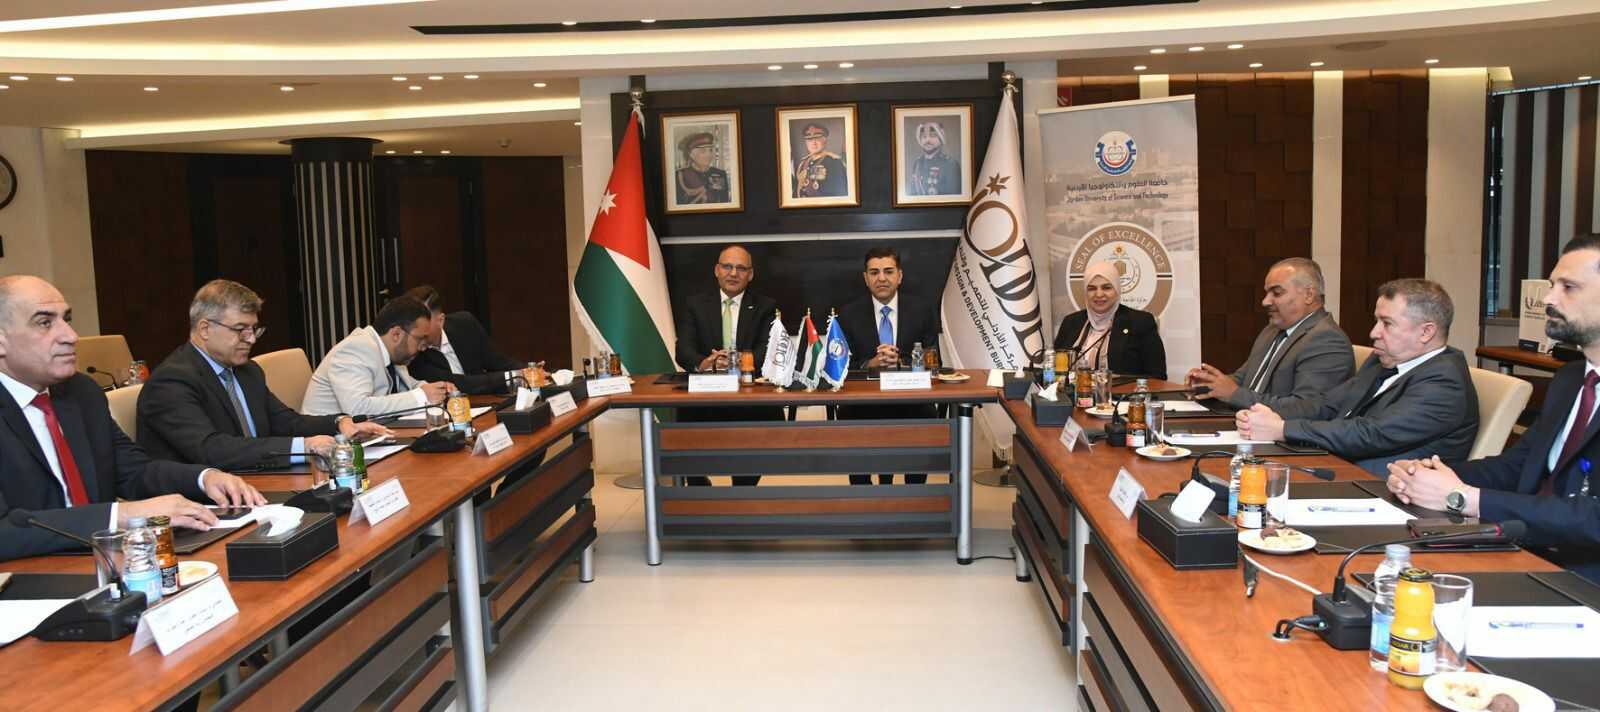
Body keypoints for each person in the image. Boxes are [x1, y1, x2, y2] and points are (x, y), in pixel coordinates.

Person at [0, 275, 265, 561]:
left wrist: (204, 478)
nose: (70, 335)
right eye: (44, 322)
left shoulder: (80, 392)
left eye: (67, 319)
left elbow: (134, 471)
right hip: (31, 574)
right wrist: (120, 515)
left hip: (109, 562)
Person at [1386, 234, 1600, 583]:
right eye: (1551, 285)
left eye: (1569, 287)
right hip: (1529, 554)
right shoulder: (1571, 379)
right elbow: (1517, 466)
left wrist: (1465, 498)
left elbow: (1593, 519)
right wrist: (1427, 476)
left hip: (1584, 579)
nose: (1548, 298)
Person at [138, 280, 392, 471]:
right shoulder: (171, 382)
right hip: (203, 501)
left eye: (254, 330)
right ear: (205, 329)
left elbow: (285, 422)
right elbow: (210, 449)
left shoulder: (247, 371)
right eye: (240, 330)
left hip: (258, 477)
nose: (250, 339)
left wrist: (339, 423)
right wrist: (304, 446)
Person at [1236, 278, 1478, 475]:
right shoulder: (1384, 359)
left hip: (1385, 490)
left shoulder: (1445, 382)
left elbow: (1371, 434)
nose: (1374, 333)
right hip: (1340, 467)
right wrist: (1266, 416)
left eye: (1387, 324)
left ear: (1426, 332)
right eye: (1377, 321)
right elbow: (1328, 404)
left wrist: (1283, 429)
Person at [673, 244, 781, 486]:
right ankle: (698, 484)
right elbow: (684, 350)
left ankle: (742, 491)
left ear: (750, 275)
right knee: (683, 425)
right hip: (705, 393)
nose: (733, 273)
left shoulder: (766, 306)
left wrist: (738, 361)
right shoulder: (694, 304)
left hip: (748, 394)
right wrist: (705, 362)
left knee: (756, 431)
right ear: (717, 270)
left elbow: (767, 349)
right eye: (727, 267)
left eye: (741, 268)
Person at [1187, 257, 1354, 409]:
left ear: (1309, 295)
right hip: (1245, 422)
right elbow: (1243, 379)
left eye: (1277, 293)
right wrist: (1209, 383)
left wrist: (1234, 394)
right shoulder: (1272, 330)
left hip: (1278, 432)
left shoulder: (1327, 340)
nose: (1265, 301)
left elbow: (1306, 408)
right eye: (1267, 293)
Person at [840, 246, 940, 485]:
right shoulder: (848, 314)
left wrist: (902, 363)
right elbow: (840, 367)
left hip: (911, 403)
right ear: (865, 278)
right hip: (863, 405)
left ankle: (914, 493)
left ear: (900, 276)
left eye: (888, 271)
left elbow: (934, 361)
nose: (881, 278)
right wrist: (870, 364)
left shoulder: (922, 309)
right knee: (851, 420)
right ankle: (864, 496)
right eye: (874, 272)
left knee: (925, 417)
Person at [301, 296, 451, 417]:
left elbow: (408, 386)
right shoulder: (355, 349)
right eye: (419, 339)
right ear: (396, 334)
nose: (423, 347)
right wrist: (421, 396)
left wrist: (435, 389)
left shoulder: (393, 353)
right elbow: (358, 409)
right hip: (328, 441)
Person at [403, 285, 526, 396]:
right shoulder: (412, 354)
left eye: (424, 321)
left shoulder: (464, 324)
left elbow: (496, 360)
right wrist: (514, 376)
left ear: (440, 320)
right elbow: (460, 383)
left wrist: (529, 371)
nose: (417, 328)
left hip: (488, 401)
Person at [1052, 260, 1167, 379]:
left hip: (1122, 391)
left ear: (1117, 290)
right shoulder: (1071, 322)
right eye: (1092, 288)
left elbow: (1157, 376)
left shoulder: (1140, 322)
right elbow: (1055, 368)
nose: (1099, 294)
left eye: (1106, 288)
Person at [792, 123, 847, 198]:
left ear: (825, 140)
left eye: (817, 138)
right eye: (809, 139)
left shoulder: (834, 162)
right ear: (806, 142)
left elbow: (841, 194)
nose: (813, 143)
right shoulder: (802, 163)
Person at [674, 132, 731, 205]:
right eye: (703, 151)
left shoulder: (720, 173)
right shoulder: (680, 175)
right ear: (691, 154)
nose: (709, 154)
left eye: (710, 150)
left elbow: (724, 202)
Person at [909, 121, 961, 196]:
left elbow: (954, 198)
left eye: (933, 136)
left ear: (941, 139)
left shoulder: (951, 164)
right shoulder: (917, 163)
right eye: (924, 136)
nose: (927, 140)